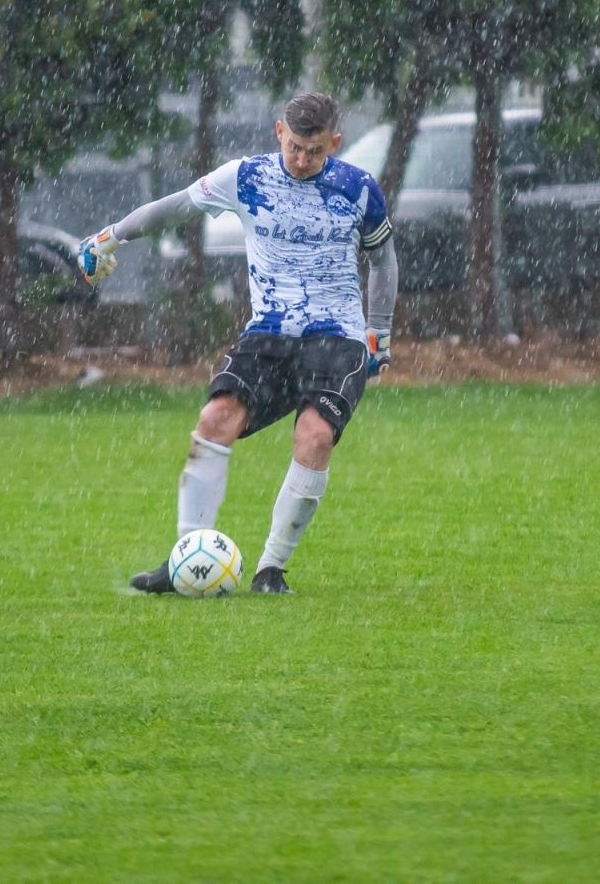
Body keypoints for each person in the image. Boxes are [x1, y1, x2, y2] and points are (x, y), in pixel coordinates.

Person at [79, 92, 398, 595]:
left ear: (334, 143)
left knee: (314, 435)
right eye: (294, 147)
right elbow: (176, 208)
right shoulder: (247, 177)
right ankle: (185, 560)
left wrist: (380, 329)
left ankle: (271, 570)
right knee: (214, 419)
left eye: (314, 151)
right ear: (278, 133)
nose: (302, 160)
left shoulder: (357, 189)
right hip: (270, 331)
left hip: (337, 336)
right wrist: (111, 236)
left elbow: (383, 260)